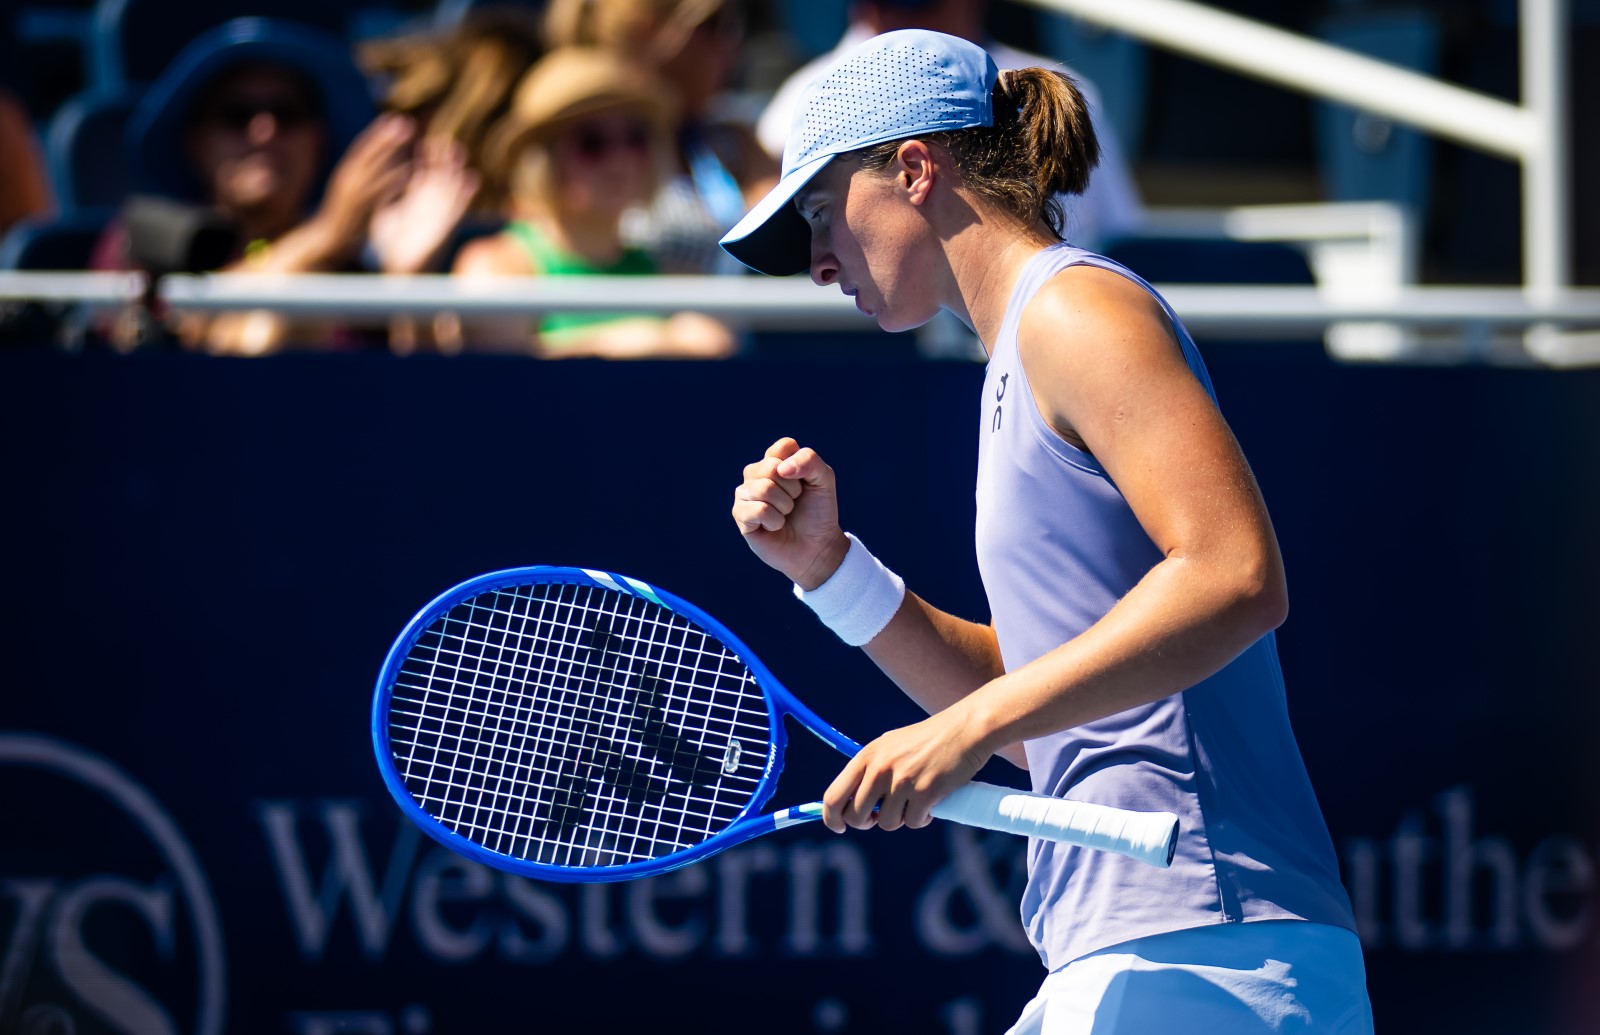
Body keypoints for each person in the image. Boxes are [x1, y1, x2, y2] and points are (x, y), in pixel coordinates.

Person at [723, 30, 1371, 1033]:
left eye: (820, 211)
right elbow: (1054, 715)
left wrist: (967, 728)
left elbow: (1235, 573)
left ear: (914, 169)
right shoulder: (1021, 351)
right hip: (1144, 949)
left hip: (1207, 948)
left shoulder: (1073, 310)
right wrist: (831, 571)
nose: (815, 263)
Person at [754, 0, 1143, 251]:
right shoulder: (801, 99)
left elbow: (1121, 240)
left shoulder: (1059, 93)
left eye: (915, 1)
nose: (892, 16)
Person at [449, 47, 735, 358]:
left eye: (636, 138)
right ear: (544, 161)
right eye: (592, 143)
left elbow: (714, 345)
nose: (620, 161)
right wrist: (629, 341)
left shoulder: (672, 275)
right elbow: (505, 365)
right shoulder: (499, 265)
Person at [543, 0, 778, 275]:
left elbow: (789, 231)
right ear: (649, 32)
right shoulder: (586, 147)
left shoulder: (732, 142)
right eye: (714, 26)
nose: (731, 45)